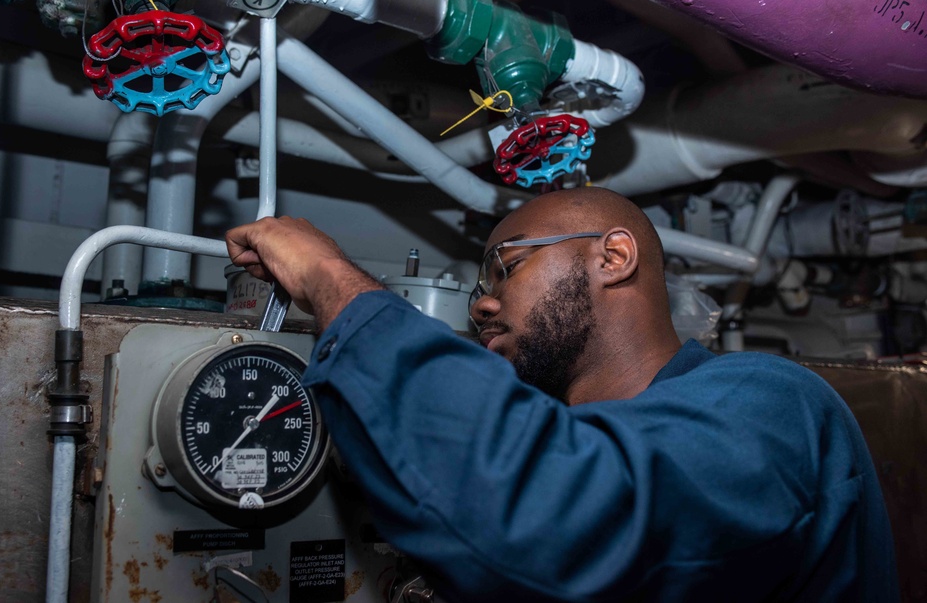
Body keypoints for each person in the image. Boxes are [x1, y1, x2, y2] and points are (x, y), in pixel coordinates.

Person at [226, 187, 898, 602]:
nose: (483, 301)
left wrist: (330, 279)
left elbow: (545, 513)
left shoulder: (771, 404)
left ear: (612, 257)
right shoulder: (567, 428)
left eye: (508, 265)